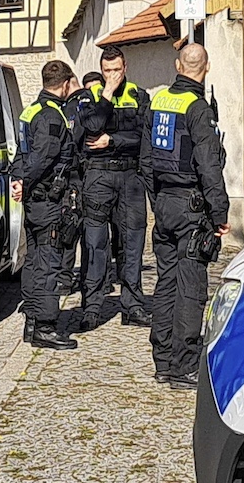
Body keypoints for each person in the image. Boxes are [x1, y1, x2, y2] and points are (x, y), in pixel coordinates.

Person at [143, 43, 229, 389]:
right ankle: (184, 367)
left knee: (165, 284)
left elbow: (145, 160)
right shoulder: (198, 108)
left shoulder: (159, 101)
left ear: (179, 65)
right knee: (191, 288)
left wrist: (156, 200)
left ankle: (163, 361)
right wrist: (220, 211)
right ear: (205, 68)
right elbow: (209, 166)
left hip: (164, 203)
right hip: (192, 209)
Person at [75, 46, 152, 331]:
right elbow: (92, 126)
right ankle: (92, 307)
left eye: (116, 70)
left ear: (126, 67)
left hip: (130, 176)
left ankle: (132, 304)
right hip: (98, 176)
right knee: (95, 244)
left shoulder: (139, 95)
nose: (112, 76)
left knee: (132, 241)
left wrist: (113, 140)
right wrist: (106, 93)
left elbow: (144, 139)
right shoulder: (89, 96)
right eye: (107, 71)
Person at [12, 61, 83, 350]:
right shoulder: (53, 117)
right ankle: (45, 326)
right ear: (65, 84)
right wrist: (26, 181)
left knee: (33, 261)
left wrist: (18, 180)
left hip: (33, 199)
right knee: (49, 263)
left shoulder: (31, 110)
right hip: (48, 200)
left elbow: (22, 152)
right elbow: (41, 158)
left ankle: (32, 322)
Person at [57, 71, 102, 294]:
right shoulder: (90, 104)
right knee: (88, 230)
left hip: (73, 175)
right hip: (90, 174)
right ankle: (88, 278)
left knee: (71, 225)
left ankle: (65, 277)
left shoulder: (66, 106)